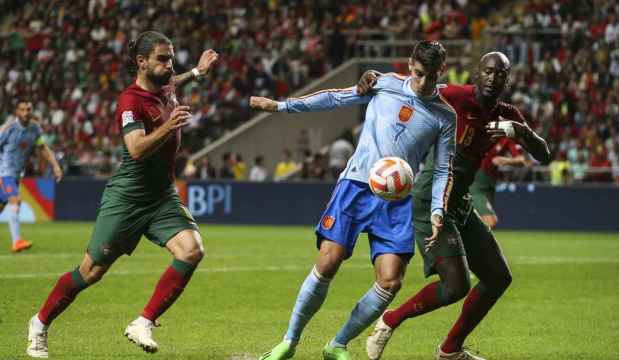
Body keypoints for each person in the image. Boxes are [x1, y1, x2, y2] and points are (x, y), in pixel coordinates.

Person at [250, 40, 456, 360]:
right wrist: (281, 106)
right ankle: (289, 342)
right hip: (357, 185)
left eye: (431, 76)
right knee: (328, 261)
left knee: (390, 281)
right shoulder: (384, 84)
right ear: (410, 63)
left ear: (441, 71)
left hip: (397, 200)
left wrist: (437, 211)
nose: (423, 82)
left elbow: (443, 168)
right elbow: (334, 98)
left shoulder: (445, 115)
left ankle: (337, 345)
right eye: (418, 74)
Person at [26, 31, 218, 358]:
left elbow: (177, 83)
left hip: (161, 196)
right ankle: (40, 322)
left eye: (171, 58)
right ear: (141, 63)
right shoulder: (130, 101)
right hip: (127, 198)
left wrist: (198, 72)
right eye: (162, 59)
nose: (170, 65)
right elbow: (136, 148)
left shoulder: (165, 86)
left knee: (191, 250)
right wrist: (169, 126)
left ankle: (143, 322)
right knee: (91, 272)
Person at [362, 52, 551, 360]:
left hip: (460, 202)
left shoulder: (507, 114)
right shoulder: (456, 96)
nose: (493, 77)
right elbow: (414, 86)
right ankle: (389, 321)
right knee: (455, 285)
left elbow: (544, 156)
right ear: (477, 74)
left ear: (507, 79)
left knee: (498, 277)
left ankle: (450, 350)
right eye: (488, 71)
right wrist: (376, 77)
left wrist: (522, 132)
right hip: (431, 199)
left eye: (500, 73)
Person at [0, 99, 63, 252]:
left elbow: (43, 147)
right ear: (17, 112)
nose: (26, 113)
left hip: (16, 175)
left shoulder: (35, 129)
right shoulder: (8, 129)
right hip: (4, 173)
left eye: (28, 109)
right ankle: (16, 241)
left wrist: (55, 165)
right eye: (22, 110)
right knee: (16, 200)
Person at [470, 138, 527, 228]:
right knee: (490, 221)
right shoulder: (482, 129)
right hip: (475, 183)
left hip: (490, 183)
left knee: (489, 224)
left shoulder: (507, 138)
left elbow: (521, 160)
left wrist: (505, 160)